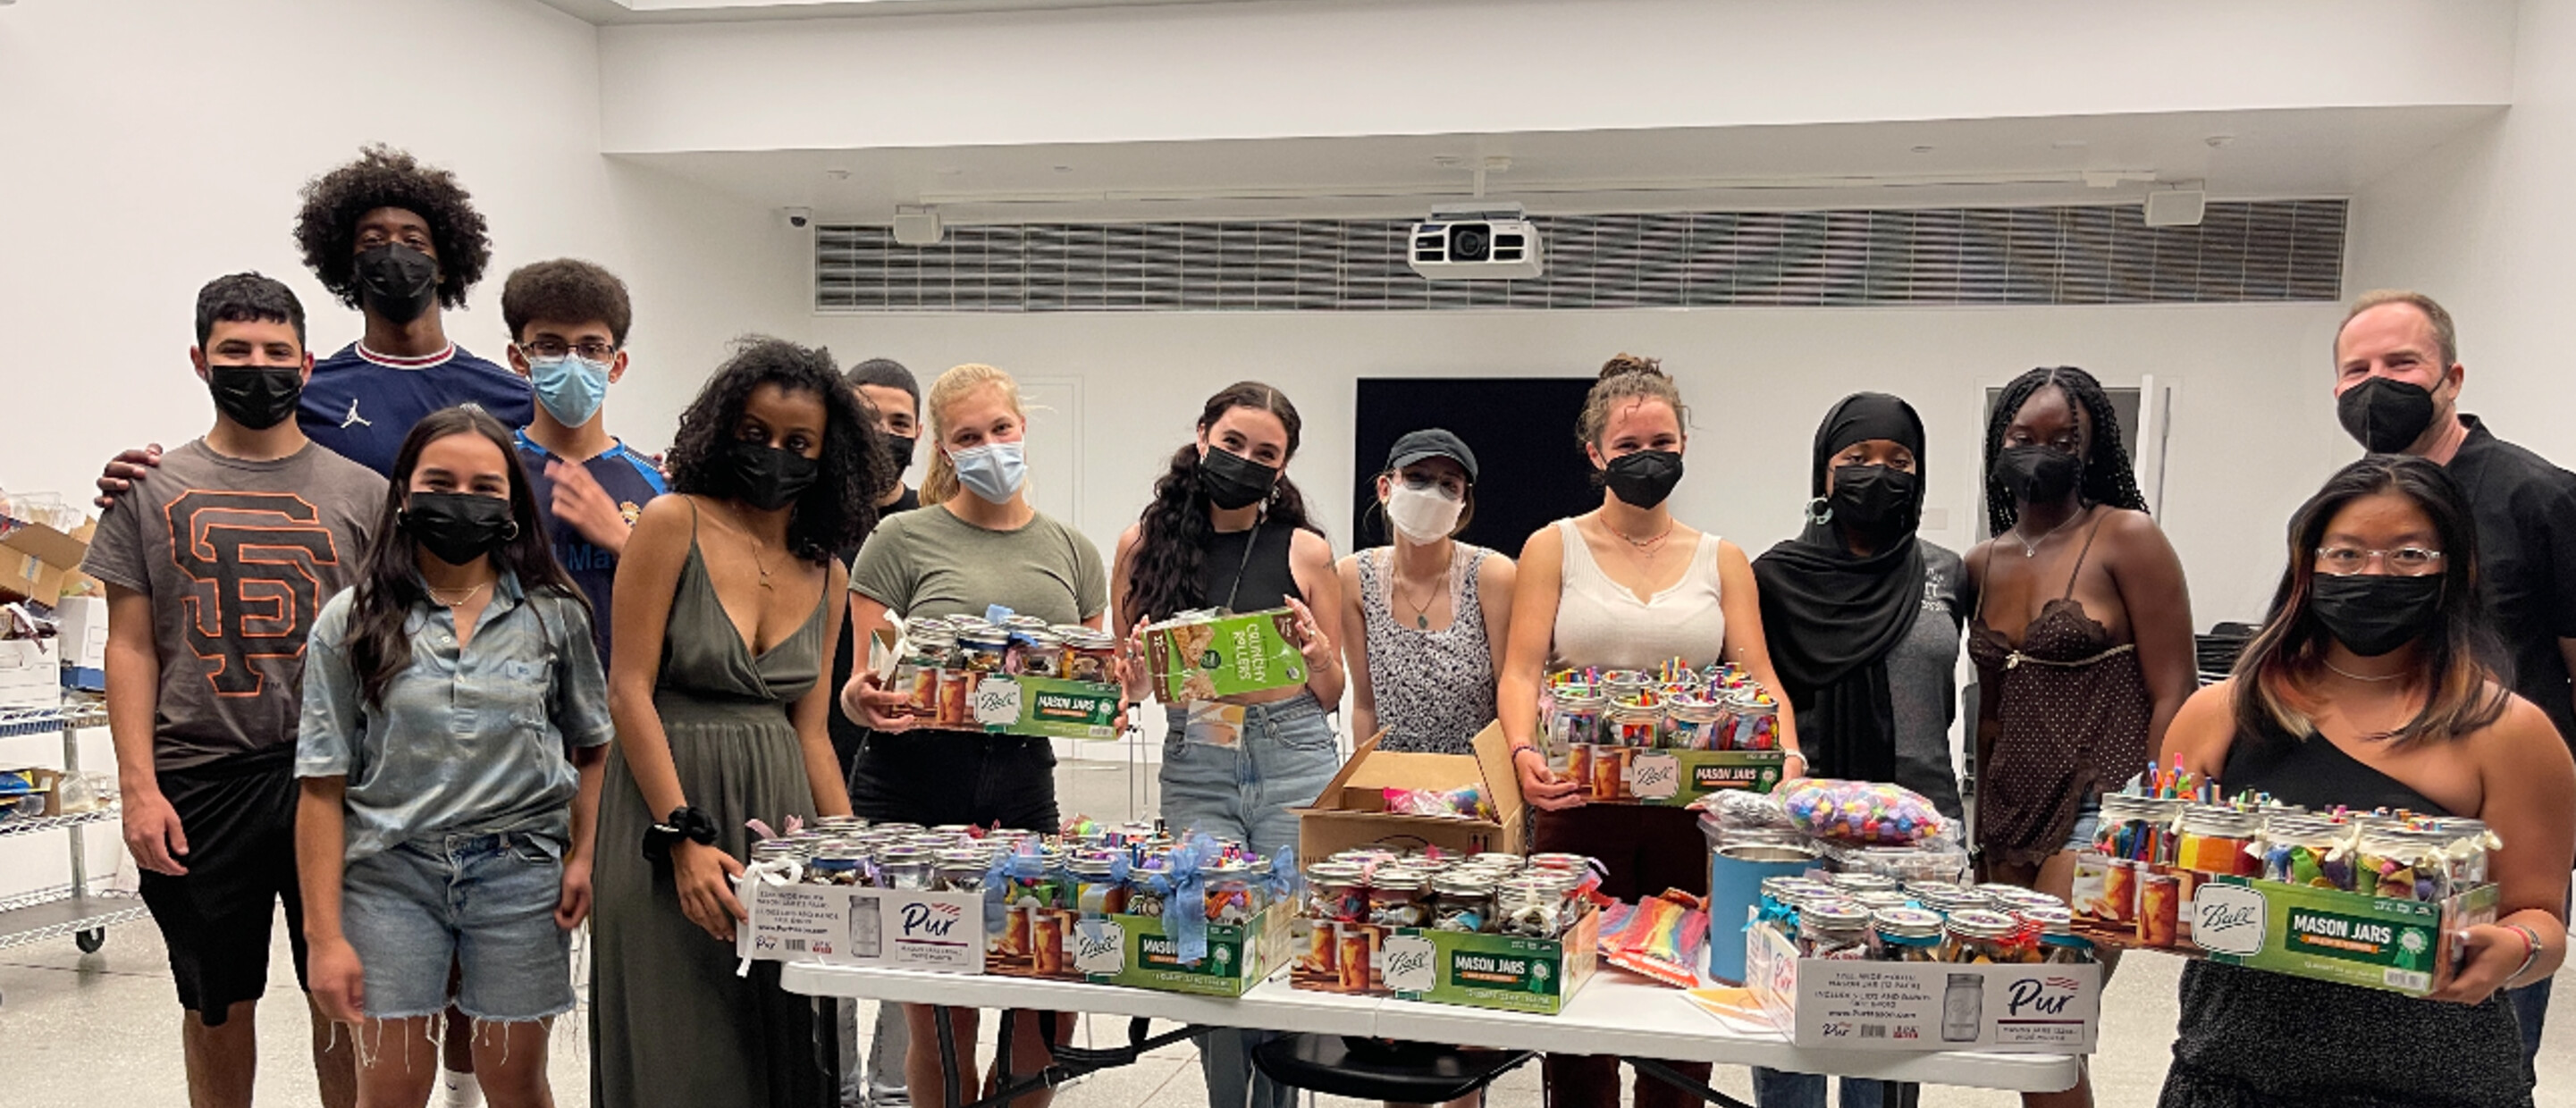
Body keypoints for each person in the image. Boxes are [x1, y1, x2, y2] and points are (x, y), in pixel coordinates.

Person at [2157, 455, 2572, 1106]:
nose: (2374, 575)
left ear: (2455, 569)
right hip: (2236, 1075)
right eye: (2347, 555)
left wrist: (2513, 949)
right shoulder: (2220, 714)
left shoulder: (2511, 733)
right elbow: (2163, 879)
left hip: (2438, 1086)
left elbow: (2541, 920)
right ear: (2307, 565)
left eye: (2409, 555)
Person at [81, 273, 375, 1108]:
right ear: (199, 360)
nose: (258, 366)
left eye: (277, 351)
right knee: (215, 1003)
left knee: (344, 995)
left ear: (307, 365)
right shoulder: (147, 490)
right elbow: (129, 645)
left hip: (335, 779)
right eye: (235, 350)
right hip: (200, 781)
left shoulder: (365, 494)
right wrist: (138, 790)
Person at [1494, 354, 1804, 1108]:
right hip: (1579, 804)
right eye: (1628, 446)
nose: (1647, 457)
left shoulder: (1722, 559)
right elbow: (1521, 673)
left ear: (1684, 446)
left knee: (1682, 1006)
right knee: (1577, 1005)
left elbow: (1758, 676)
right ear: (1596, 453)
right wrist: (1524, 752)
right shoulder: (1553, 546)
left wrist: (1787, 756)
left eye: (1662, 443)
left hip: (1691, 813)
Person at [591, 337, 888, 1108]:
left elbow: (812, 731)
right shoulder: (672, 523)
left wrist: (856, 861)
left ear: (827, 456)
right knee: (681, 1053)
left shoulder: (827, 571)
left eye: (799, 443)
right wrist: (682, 839)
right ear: (724, 432)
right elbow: (628, 691)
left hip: (778, 822)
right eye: (756, 434)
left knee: (783, 1050)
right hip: (665, 812)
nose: (774, 454)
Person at [295, 407, 612, 1108]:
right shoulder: (351, 620)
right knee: (392, 1087)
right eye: (440, 483)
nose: (462, 501)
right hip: (390, 876)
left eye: (484, 487)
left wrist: (584, 856)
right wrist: (323, 937)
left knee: (515, 1083)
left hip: (520, 875)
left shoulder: (554, 615)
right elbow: (320, 786)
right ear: (404, 494)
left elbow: (594, 747)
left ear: (512, 504)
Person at [839, 363, 1105, 1108]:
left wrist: (1125, 690)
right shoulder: (899, 539)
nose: (989, 446)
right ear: (943, 449)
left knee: (1046, 1011)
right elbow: (865, 681)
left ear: (1023, 429)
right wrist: (863, 699)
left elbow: (1091, 687)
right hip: (913, 789)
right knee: (944, 1023)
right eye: (968, 436)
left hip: (1022, 786)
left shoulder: (1074, 551)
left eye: (1000, 429)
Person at [2329, 290, 2576, 1060]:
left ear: (2453, 378)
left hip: (2497, 837)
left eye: (2402, 363)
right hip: (2357, 829)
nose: (2377, 383)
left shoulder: (2538, 496)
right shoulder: (2346, 504)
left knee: (2480, 1053)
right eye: (2357, 369)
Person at [1111, 382, 1347, 1108]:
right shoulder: (1142, 545)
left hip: (1295, 754)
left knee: (1283, 947)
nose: (1245, 460)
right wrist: (1132, 673)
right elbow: (1133, 688)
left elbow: (1332, 690)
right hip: (1199, 761)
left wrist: (1317, 655)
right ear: (1203, 435)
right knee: (1210, 947)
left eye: (1265, 453)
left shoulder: (1306, 550)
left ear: (1283, 468)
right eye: (1233, 442)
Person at [1966, 366, 2193, 1108]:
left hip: (2103, 804)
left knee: (2041, 1006)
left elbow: (2175, 691)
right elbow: (1989, 712)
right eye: (2022, 437)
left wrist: (2153, 826)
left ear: (2092, 449)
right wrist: (1980, 832)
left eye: (2064, 440)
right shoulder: (1981, 561)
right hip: (2009, 811)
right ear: (1998, 445)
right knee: (2015, 1021)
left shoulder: (2127, 538)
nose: (2041, 452)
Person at [95, 147, 527, 508]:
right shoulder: (306, 392)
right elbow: (232, 464)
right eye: (373, 242)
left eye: (414, 242)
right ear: (349, 265)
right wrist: (150, 479)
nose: (395, 253)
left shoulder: (513, 399)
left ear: (445, 265)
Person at [1748, 392, 1965, 1108]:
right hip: (1802, 831)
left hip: (1919, 834)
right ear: (1824, 471)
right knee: (1793, 1020)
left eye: (1899, 460)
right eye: (1858, 458)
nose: (1880, 474)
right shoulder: (1773, 578)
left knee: (1893, 1028)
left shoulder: (1948, 572)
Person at [829, 357, 926, 1108]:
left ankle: (893, 1086)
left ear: (919, 434)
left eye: (900, 422)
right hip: (817, 748)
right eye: (868, 417)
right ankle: (832, 1084)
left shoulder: (931, 527)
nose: (884, 434)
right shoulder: (807, 520)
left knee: (907, 929)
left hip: (913, 762)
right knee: (829, 928)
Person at [501, 258, 666, 660]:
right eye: (550, 346)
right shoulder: (491, 473)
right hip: (511, 692)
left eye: (591, 348)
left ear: (616, 364)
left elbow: (691, 611)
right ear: (519, 359)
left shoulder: (658, 483)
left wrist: (623, 542)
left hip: (620, 694)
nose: (572, 361)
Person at [1337, 428, 1516, 753]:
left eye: (1449, 485)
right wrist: (1366, 778)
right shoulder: (1354, 578)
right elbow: (1365, 705)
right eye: (1417, 478)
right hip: (1393, 777)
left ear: (1462, 503)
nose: (1432, 493)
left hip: (1476, 775)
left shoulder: (1491, 576)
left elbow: (1512, 693)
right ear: (1385, 488)